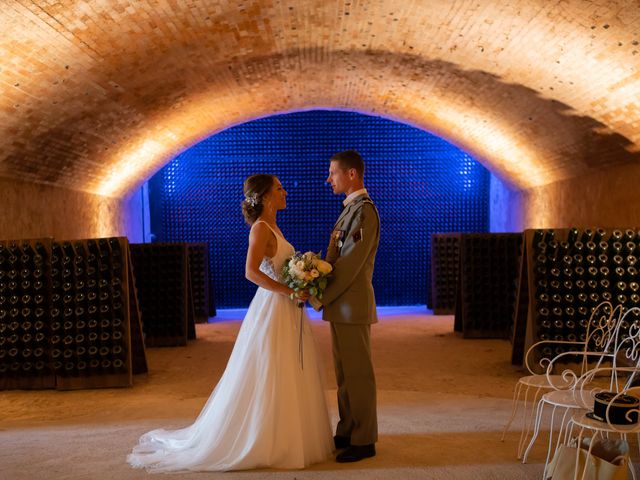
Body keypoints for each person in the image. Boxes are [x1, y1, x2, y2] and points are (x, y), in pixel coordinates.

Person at [127, 174, 333, 472]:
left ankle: (286, 436)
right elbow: (250, 272)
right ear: (264, 197)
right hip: (273, 308)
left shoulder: (273, 225)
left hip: (286, 307)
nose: (285, 191)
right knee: (270, 369)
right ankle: (264, 440)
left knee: (287, 370)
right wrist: (290, 290)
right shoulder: (261, 229)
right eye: (279, 188)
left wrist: (300, 281)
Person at [313, 150, 381, 463]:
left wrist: (319, 295)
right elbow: (334, 258)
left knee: (359, 376)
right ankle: (348, 428)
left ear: (351, 174)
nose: (329, 179)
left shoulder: (364, 212)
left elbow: (349, 264)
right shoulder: (349, 210)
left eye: (333, 173)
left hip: (351, 306)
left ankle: (364, 439)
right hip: (342, 307)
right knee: (344, 376)